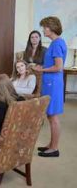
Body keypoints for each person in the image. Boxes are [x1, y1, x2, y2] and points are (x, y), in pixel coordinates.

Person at [33, 16, 67, 157]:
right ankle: (51, 145)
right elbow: (53, 64)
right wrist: (43, 67)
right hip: (50, 83)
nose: (43, 29)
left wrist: (41, 70)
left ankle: (54, 148)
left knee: (53, 117)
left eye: (45, 27)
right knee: (50, 115)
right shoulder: (55, 43)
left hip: (53, 84)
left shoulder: (57, 44)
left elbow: (58, 67)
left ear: (51, 28)